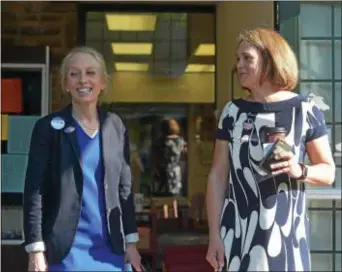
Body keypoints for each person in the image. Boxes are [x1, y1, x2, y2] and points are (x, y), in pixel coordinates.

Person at [205, 28, 335, 271]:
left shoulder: (304, 109)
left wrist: (300, 169)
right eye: (238, 58)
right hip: (238, 236)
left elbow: (329, 171)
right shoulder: (232, 112)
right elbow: (218, 176)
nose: (239, 65)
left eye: (247, 58)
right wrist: (214, 235)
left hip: (287, 240)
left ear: (269, 58)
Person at [23, 46, 142, 271]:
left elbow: (124, 189)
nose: (82, 80)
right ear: (66, 84)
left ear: (103, 82)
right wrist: (36, 250)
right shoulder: (47, 128)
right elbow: (34, 191)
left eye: (90, 73)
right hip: (66, 252)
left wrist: (132, 243)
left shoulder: (115, 126)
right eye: (74, 73)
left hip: (112, 251)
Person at [153, 118, 186, 196]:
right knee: (175, 195)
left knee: (163, 194)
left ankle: (165, 207)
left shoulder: (160, 141)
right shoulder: (181, 141)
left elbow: (156, 156)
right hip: (176, 169)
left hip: (163, 169)